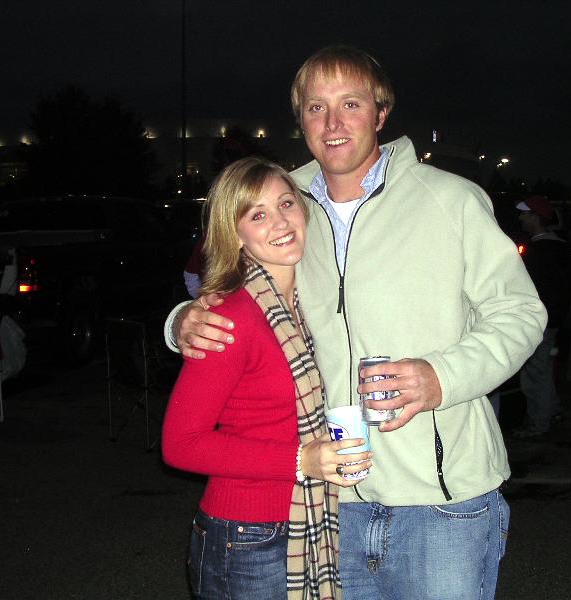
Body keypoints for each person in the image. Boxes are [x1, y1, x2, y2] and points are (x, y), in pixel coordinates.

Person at [165, 46, 547, 600]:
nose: (333, 123)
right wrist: (182, 320)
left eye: (351, 104)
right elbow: (234, 287)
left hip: (441, 501)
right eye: (316, 107)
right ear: (300, 120)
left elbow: (521, 311)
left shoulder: (452, 200)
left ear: (381, 113)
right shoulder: (288, 203)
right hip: (330, 503)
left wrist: (442, 377)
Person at [161, 157, 372, 600]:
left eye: (286, 204)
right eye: (257, 215)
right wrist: (300, 461)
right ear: (235, 234)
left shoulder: (310, 306)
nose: (279, 222)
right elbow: (180, 444)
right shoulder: (230, 316)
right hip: (246, 537)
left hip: (303, 518)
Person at [512, 196, 571, 439]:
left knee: (535, 373)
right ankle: (552, 411)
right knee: (543, 369)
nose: (521, 218)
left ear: (536, 218)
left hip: (538, 321)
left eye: (525, 214)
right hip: (553, 318)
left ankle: (537, 424)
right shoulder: (560, 247)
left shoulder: (539, 251)